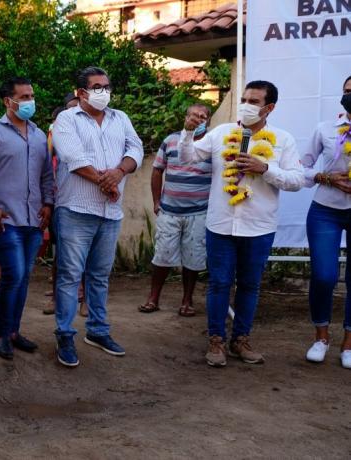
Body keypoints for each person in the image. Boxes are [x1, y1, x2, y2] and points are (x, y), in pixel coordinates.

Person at [180, 80, 304, 367]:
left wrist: (266, 169)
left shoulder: (283, 140)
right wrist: (188, 132)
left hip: (259, 226)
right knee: (219, 284)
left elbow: (298, 180)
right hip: (221, 225)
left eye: (255, 102)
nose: (247, 105)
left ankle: (241, 340)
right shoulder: (222, 133)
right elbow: (188, 157)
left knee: (249, 285)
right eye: (245, 99)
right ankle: (216, 340)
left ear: (269, 108)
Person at [51, 66, 143, 367]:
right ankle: (65, 333)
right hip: (76, 210)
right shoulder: (67, 119)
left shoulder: (121, 118)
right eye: (96, 87)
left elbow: (136, 149)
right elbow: (73, 158)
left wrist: (118, 173)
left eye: (106, 86)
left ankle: (97, 331)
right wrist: (106, 182)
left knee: (100, 276)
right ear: (81, 93)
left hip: (110, 211)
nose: (103, 91)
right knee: (69, 275)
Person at [0, 77, 54, 360]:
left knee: (24, 278)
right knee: (13, 275)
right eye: (23, 97)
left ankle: (14, 331)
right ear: (7, 101)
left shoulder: (38, 135)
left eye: (31, 95)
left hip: (33, 219)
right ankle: (2, 335)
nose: (29, 101)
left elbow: (47, 174)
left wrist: (48, 202)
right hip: (5, 219)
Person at [140, 104, 212, 317]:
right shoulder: (170, 140)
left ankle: (187, 301)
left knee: (194, 258)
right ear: (185, 116)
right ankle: (153, 298)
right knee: (162, 255)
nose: (197, 119)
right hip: (169, 211)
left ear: (207, 121)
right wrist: (156, 202)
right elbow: (157, 171)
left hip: (199, 212)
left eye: (202, 116)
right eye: (193, 115)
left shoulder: (212, 143)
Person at [301, 75, 351, 368]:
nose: (350, 95)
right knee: (324, 276)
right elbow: (303, 168)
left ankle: (349, 341)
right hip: (325, 209)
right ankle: (321, 336)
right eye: (347, 91)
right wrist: (325, 177)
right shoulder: (325, 129)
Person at [44, 95, 85, 316]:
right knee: (59, 253)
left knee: (88, 256)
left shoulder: (93, 133)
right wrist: (48, 200)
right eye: (69, 108)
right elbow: (46, 167)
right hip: (61, 202)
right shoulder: (56, 134)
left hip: (88, 202)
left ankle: (86, 299)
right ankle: (55, 298)